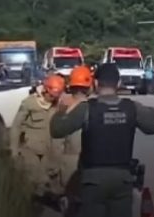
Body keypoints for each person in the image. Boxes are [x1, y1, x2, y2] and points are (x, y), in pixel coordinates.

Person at [50, 63, 154, 217]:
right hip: (122, 179)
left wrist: (60, 110)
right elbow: (152, 128)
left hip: (93, 181)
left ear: (95, 83)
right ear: (119, 83)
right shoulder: (132, 108)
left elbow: (57, 131)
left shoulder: (87, 109)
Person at [10, 74, 67, 201]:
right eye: (51, 96)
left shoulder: (59, 104)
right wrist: (14, 150)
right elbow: (16, 126)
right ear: (45, 90)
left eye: (56, 97)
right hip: (31, 149)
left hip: (50, 149)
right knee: (36, 180)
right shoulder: (29, 103)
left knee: (52, 179)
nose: (53, 99)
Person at [60, 65, 95, 215]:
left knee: (71, 205)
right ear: (90, 86)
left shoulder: (63, 103)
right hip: (89, 163)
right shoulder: (93, 107)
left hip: (67, 161)